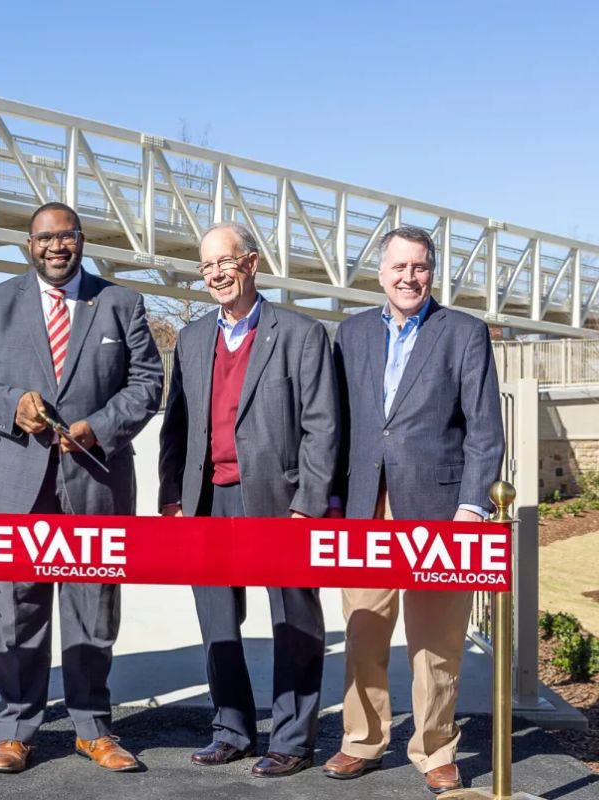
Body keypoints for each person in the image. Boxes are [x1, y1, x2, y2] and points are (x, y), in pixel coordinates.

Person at [0, 201, 163, 774]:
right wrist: (10, 406)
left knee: (93, 602)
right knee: (15, 605)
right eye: (45, 238)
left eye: (66, 237)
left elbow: (147, 383)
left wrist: (104, 428)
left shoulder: (121, 303)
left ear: (82, 240)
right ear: (29, 244)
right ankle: (16, 727)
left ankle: (93, 727)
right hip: (15, 479)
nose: (56, 247)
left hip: (94, 476)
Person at [324, 225, 503, 795]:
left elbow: (484, 430)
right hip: (363, 508)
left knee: (436, 641)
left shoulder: (464, 334)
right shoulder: (350, 334)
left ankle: (435, 748)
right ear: (380, 274)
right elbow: (337, 426)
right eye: (399, 267)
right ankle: (362, 740)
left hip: (439, 510)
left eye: (420, 267)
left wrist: (472, 507)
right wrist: (330, 499)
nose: (409, 277)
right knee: (364, 632)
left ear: (432, 271)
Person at [158, 221, 337, 777]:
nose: (216, 273)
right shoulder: (190, 339)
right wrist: (172, 499)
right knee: (216, 620)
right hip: (208, 499)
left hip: (280, 500)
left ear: (252, 264)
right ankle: (232, 728)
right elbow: (177, 426)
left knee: (294, 620)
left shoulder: (302, 334)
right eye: (206, 266)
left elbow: (322, 427)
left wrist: (307, 502)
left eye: (225, 262)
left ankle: (292, 738)